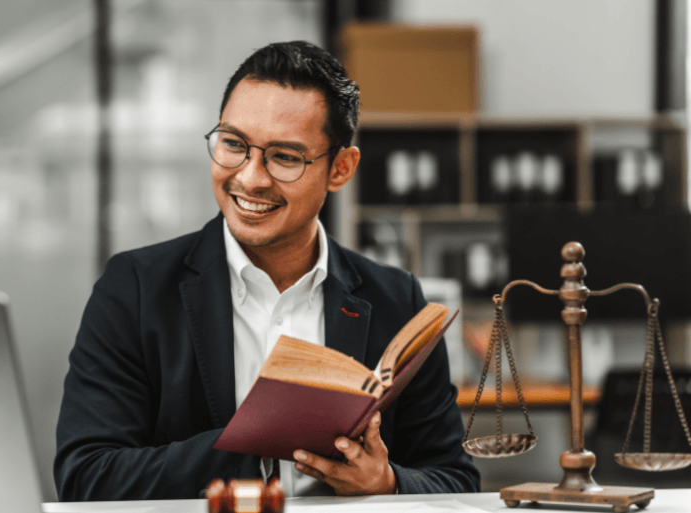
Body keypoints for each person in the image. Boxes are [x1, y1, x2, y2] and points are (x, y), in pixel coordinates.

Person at [54, 40, 480, 501]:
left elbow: (455, 482)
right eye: (234, 145)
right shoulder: (135, 289)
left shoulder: (397, 300)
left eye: (284, 157)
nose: (251, 178)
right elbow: (86, 477)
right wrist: (255, 444)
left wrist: (387, 483)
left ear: (340, 168)